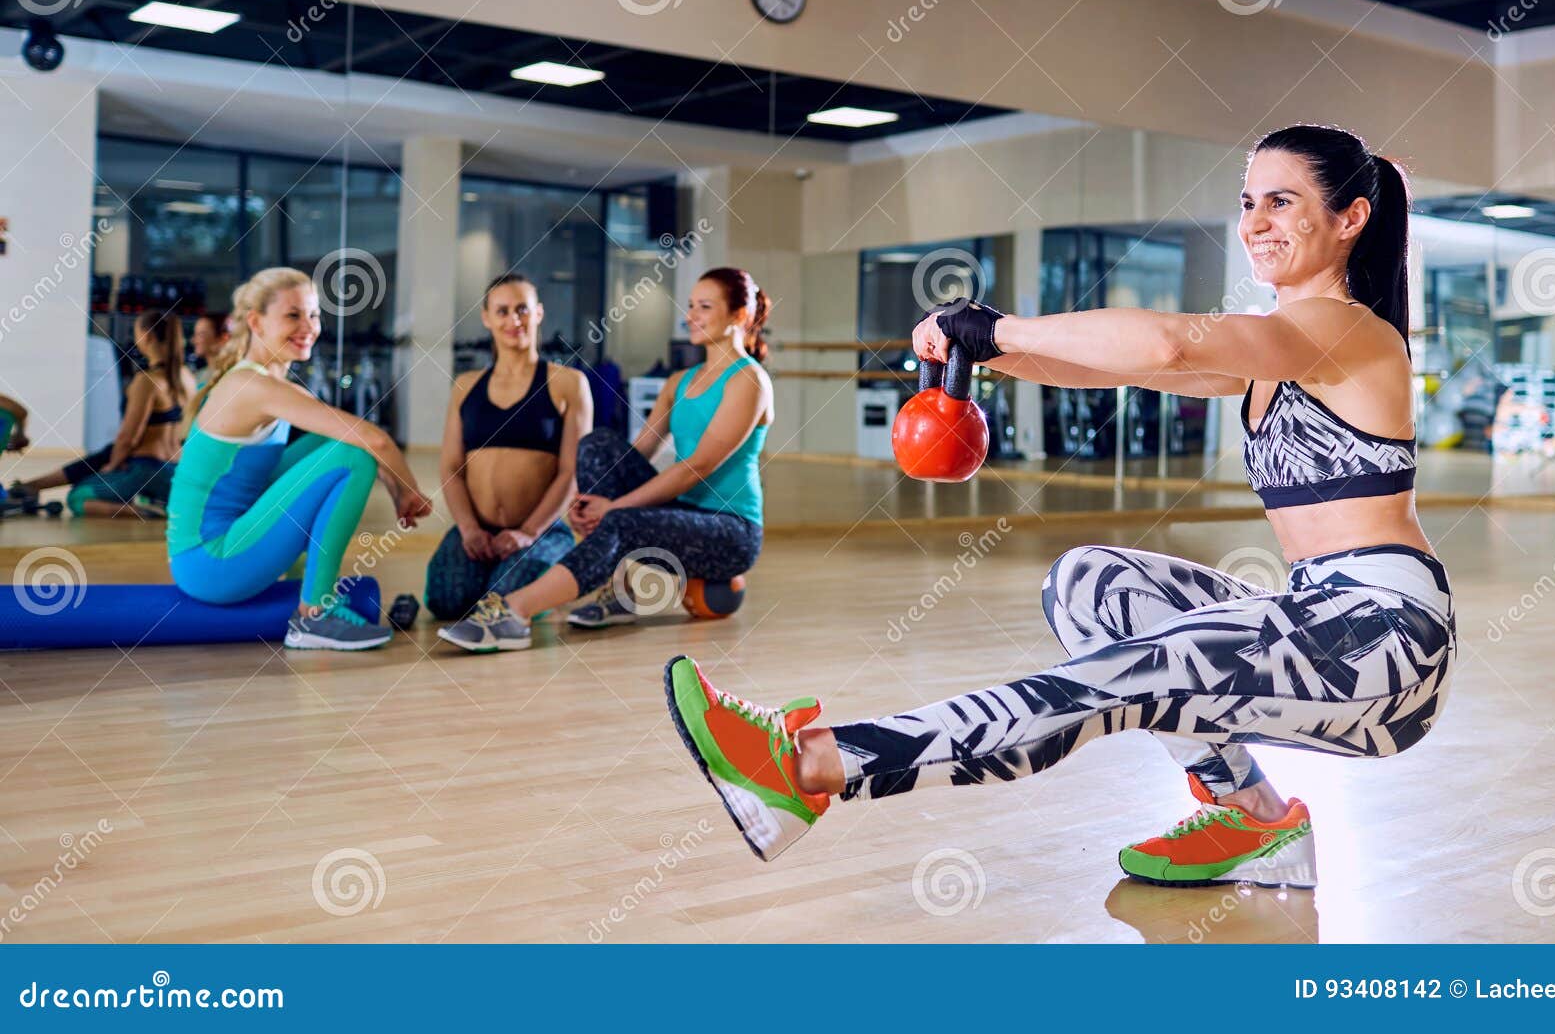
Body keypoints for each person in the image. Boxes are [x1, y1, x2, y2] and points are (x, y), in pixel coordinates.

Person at [665, 124, 1457, 889]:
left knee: (1127, 678)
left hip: (1386, 641)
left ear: (1351, 217)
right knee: (1091, 585)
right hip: (1316, 615)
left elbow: (1169, 343)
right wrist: (989, 349)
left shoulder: (1346, 330)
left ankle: (809, 767)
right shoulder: (1272, 348)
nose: (1256, 223)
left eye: (1281, 202)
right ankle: (1254, 819)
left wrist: (1000, 323)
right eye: (1248, 202)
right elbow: (1121, 369)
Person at [438, 267, 772, 650]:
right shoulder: (679, 381)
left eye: (705, 306)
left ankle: (513, 614)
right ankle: (620, 593)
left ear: (739, 315)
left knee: (620, 520)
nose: (690, 314)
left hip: (731, 531)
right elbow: (635, 455)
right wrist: (584, 501)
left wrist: (613, 508)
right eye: (691, 305)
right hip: (680, 516)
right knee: (596, 446)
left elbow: (694, 468)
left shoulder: (749, 381)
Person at [166, 266, 431, 650]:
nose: (307, 326)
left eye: (314, 314)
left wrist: (395, 487)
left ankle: (313, 601)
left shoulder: (268, 384)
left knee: (347, 447)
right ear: (256, 322)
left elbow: (361, 439)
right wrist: (408, 493)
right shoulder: (253, 386)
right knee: (353, 457)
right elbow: (377, 439)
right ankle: (316, 614)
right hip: (211, 563)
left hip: (214, 556)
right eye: (293, 315)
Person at [424, 273, 593, 621]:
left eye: (522, 310)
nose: (514, 320)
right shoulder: (466, 386)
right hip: (478, 530)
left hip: (541, 530)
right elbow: (451, 468)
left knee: (501, 604)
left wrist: (528, 532)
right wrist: (470, 529)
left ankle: (543, 575)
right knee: (446, 602)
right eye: (502, 312)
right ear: (486, 318)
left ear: (539, 314)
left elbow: (571, 471)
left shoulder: (568, 383)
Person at [9, 309, 195, 518]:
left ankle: (143, 508)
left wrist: (112, 467)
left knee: (78, 496)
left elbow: (128, 437)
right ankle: (31, 486)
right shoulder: (187, 378)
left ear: (147, 336)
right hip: (175, 472)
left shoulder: (146, 381)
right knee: (104, 455)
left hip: (146, 471)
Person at [189, 312, 229, 389]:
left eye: (201, 335)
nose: (193, 340)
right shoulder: (199, 376)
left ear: (221, 339)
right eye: (195, 334)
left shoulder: (231, 376)